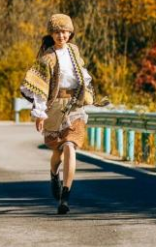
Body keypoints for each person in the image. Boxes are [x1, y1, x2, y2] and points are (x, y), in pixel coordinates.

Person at [21, 13, 99, 215]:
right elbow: (39, 87)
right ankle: (54, 174)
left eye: (64, 31)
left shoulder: (74, 51)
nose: (61, 35)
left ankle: (66, 195)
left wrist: (87, 92)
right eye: (56, 32)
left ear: (70, 33)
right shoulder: (47, 57)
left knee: (70, 146)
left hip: (74, 106)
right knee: (59, 150)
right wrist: (39, 113)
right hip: (54, 108)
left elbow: (83, 75)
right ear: (52, 34)